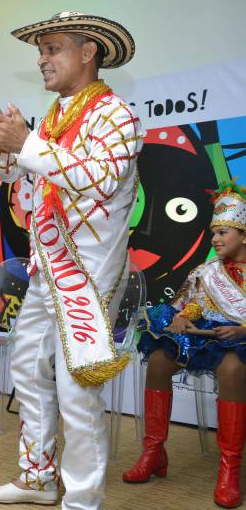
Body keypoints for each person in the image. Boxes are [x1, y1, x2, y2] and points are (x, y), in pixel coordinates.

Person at [0, 12, 142, 508]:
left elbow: (99, 178)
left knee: (76, 391)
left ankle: (83, 499)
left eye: (53, 49)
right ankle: (38, 477)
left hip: (88, 278)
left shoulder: (117, 114)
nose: (43, 59)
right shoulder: (54, 116)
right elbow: (21, 175)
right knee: (26, 369)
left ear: (87, 52)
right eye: (41, 51)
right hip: (47, 269)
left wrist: (24, 142)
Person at [124, 181, 246, 508]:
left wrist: (242, 330)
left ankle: (229, 468)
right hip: (209, 337)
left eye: (224, 233)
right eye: (214, 233)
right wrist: (182, 318)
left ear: (244, 235)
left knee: (233, 368)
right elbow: (190, 303)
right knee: (162, 359)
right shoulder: (206, 271)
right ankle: (154, 452)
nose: (216, 239)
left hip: (240, 341)